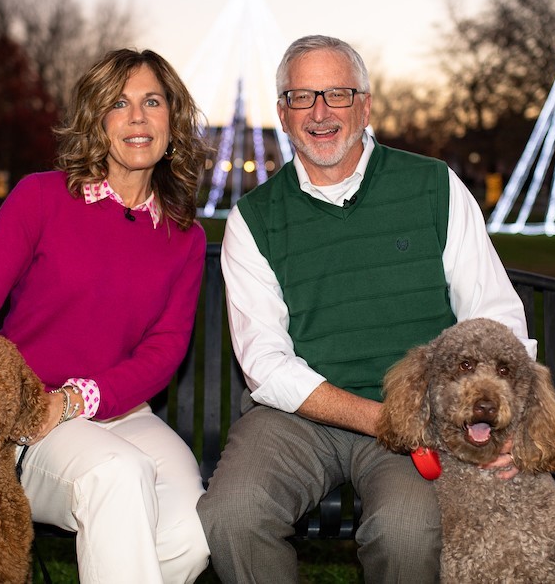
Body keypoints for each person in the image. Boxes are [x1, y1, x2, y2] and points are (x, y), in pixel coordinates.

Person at [197, 35, 536, 582]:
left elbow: (493, 316)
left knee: (406, 528)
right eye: (302, 97)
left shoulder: (432, 187)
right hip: (299, 417)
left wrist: (504, 417)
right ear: (283, 113)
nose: (321, 112)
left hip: (421, 406)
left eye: (337, 93)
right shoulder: (254, 220)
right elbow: (265, 363)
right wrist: (385, 420)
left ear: (366, 103)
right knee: (231, 515)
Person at [0, 48, 212, 584]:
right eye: (119, 103)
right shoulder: (41, 198)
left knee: (192, 531)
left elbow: (164, 352)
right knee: (117, 476)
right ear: (97, 121)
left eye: (152, 101)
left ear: (172, 120)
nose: (137, 117)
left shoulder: (185, 234)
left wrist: (78, 399)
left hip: (121, 412)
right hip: (28, 415)